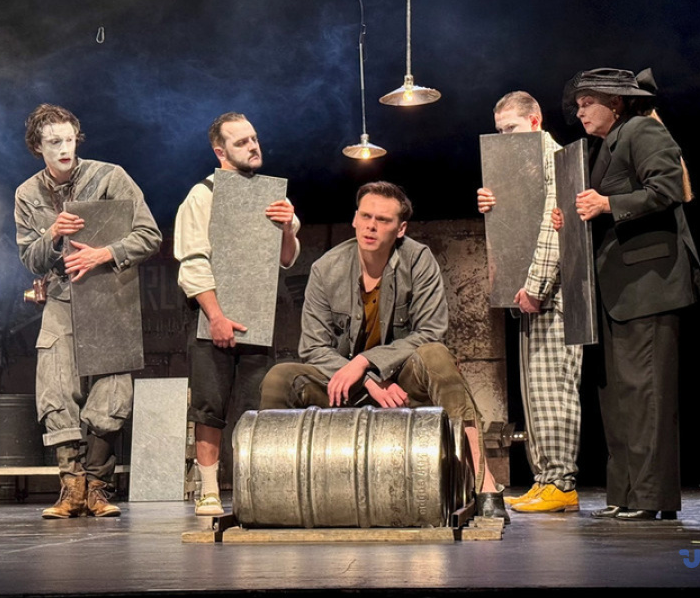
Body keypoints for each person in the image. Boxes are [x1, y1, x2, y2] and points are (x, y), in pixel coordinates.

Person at [260, 181, 509, 522]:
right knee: (280, 378)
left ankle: (484, 483)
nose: (371, 226)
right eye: (365, 216)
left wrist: (367, 362)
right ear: (354, 219)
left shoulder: (417, 260)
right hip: (347, 386)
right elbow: (313, 347)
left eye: (383, 220)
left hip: (402, 383)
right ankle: (274, 492)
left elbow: (430, 331)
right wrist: (366, 379)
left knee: (437, 355)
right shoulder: (326, 268)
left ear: (401, 229)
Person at [556, 68, 700, 521]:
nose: (580, 112)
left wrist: (607, 204)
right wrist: (574, 219)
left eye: (588, 103)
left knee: (646, 394)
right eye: (578, 105)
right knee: (618, 396)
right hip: (616, 289)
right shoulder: (603, 147)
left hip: (649, 285)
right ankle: (624, 493)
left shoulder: (642, 130)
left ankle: (651, 498)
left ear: (616, 103)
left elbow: (668, 188)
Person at [14, 104, 162, 518]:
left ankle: (98, 487)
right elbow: (30, 260)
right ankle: (72, 487)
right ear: (37, 147)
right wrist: (52, 233)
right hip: (62, 298)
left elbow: (149, 234)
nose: (64, 149)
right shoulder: (28, 194)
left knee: (112, 392)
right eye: (53, 142)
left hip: (110, 294)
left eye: (69, 139)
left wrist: (104, 253)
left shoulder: (110, 177)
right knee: (55, 388)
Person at [174, 112, 301, 516]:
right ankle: (209, 490)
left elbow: (285, 260)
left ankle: (251, 489)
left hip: (257, 318)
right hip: (212, 319)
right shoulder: (203, 195)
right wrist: (216, 316)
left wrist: (287, 228)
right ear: (220, 151)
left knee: (255, 406)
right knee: (209, 406)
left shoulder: (272, 195)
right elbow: (192, 261)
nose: (253, 146)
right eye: (242, 142)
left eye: (254, 138)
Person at [476, 92, 583, 513]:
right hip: (529, 294)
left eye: (512, 129)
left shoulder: (557, 160)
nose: (506, 138)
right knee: (536, 391)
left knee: (555, 389)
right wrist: (493, 206)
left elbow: (553, 229)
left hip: (555, 294)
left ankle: (560, 481)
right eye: (500, 131)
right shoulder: (519, 168)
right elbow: (517, 227)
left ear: (535, 122)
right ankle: (545, 479)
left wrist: (536, 286)